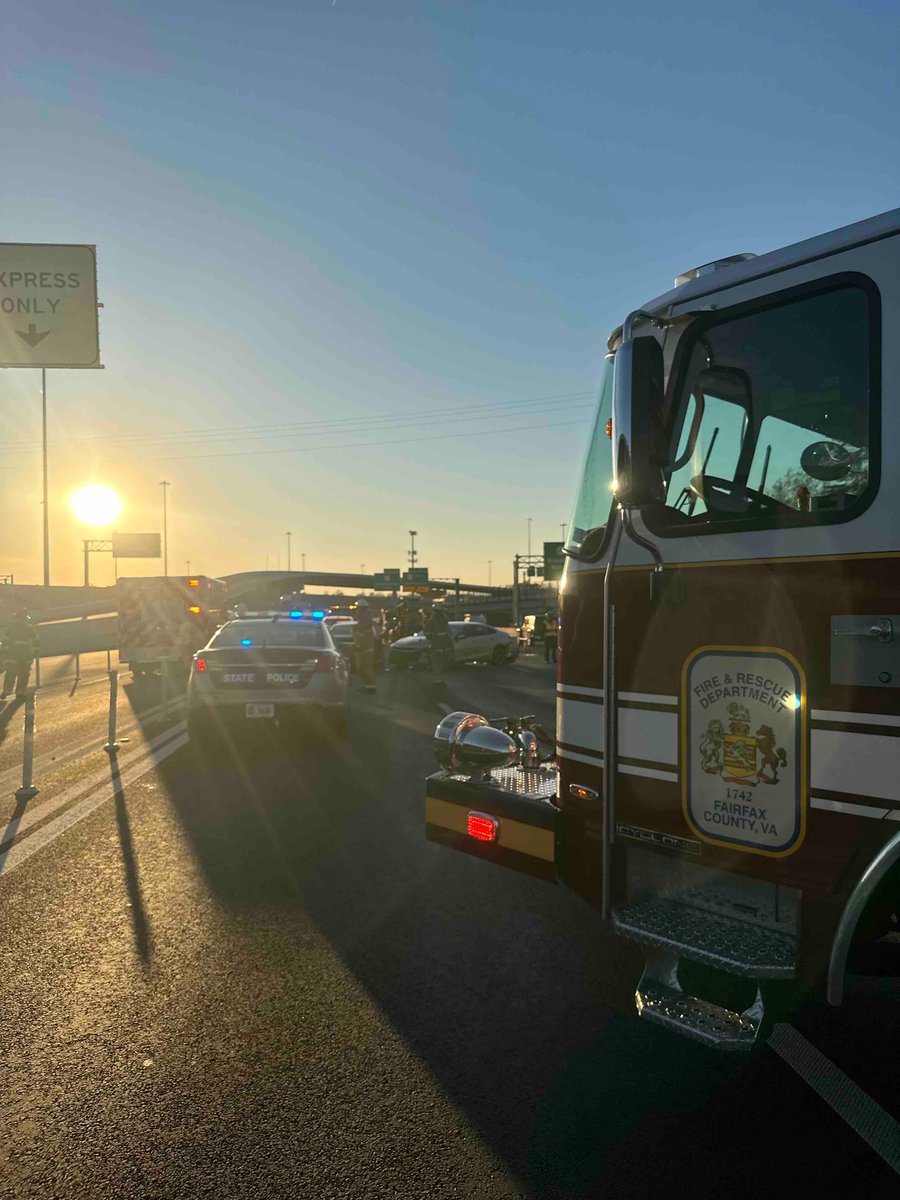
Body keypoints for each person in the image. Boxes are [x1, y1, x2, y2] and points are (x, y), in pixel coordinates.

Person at [1, 608, 39, 699]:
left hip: (15, 656)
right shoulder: (29, 629)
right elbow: (36, 642)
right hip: (23, 656)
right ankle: (19, 692)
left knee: (13, 673)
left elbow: (5, 643)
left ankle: (8, 691)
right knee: (22, 674)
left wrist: (5, 654)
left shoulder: (11, 629)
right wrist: (34, 653)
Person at [352, 598, 377, 692]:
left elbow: (364, 635)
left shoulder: (365, 619)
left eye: (358, 609)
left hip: (366, 648)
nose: (356, 611)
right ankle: (367, 685)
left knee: (366, 667)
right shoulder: (363, 619)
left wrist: (360, 644)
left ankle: (371, 686)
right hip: (362, 648)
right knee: (361, 667)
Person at [423, 601, 452, 681]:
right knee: (437, 661)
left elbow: (447, 631)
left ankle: (441, 677)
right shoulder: (433, 620)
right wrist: (432, 636)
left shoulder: (444, 619)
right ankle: (437, 677)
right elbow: (426, 631)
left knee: (443, 661)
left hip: (443, 643)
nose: (441, 613)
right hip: (437, 642)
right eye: (440, 611)